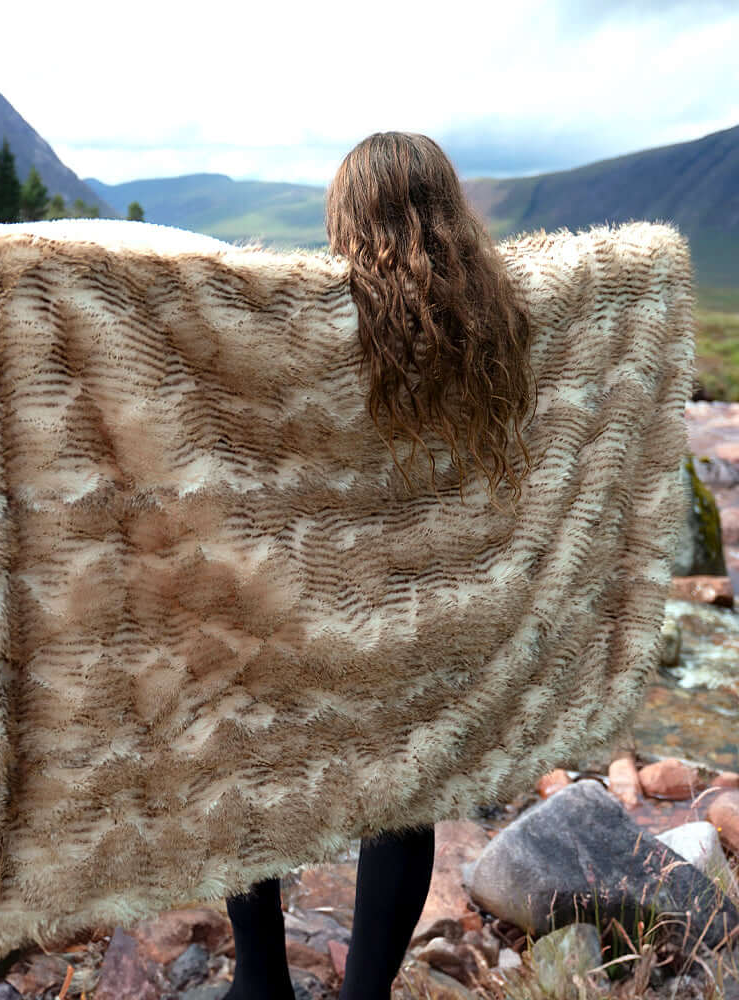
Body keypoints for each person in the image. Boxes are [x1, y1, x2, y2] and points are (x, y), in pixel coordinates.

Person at [222, 132, 538, 1000]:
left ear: (344, 213)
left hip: (304, 597)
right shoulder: (502, 319)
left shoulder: (296, 316)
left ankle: (259, 980)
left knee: (242, 760)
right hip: (424, 605)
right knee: (403, 800)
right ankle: (363, 996)